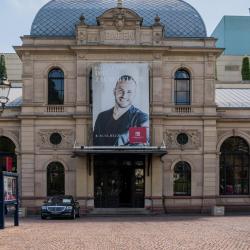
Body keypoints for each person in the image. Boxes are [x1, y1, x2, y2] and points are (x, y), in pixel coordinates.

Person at [93, 75, 149, 146]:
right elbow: (96, 144)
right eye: (120, 91)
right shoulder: (102, 117)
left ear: (134, 94)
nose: (124, 95)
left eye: (129, 92)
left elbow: (138, 147)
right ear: (114, 91)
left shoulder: (140, 118)